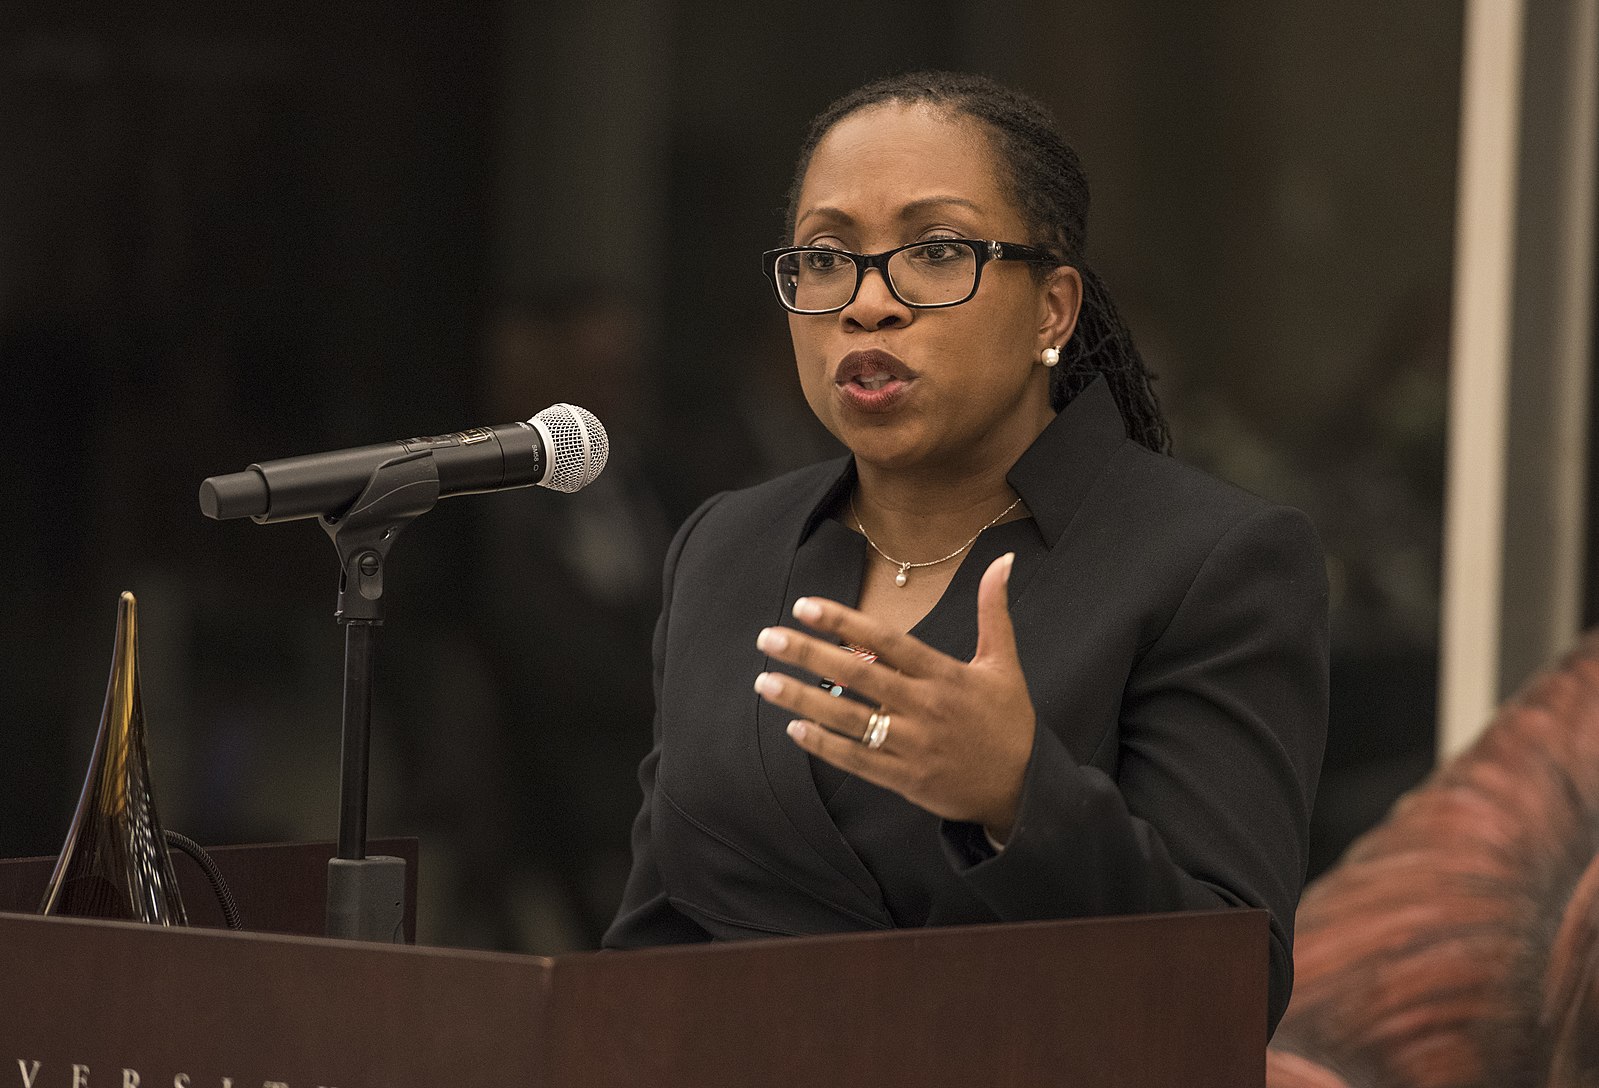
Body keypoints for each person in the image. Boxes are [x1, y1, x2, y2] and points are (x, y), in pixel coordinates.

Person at [602, 70, 1327, 1034]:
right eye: (824, 257)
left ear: (1051, 311)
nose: (867, 304)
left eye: (936, 250)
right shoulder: (726, 547)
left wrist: (1017, 797)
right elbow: (652, 943)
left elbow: (1229, 995)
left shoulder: (1210, 561)